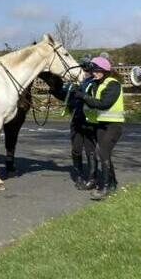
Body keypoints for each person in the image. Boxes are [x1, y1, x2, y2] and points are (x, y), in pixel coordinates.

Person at [76, 56, 125, 200]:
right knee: (105, 154)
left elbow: (104, 104)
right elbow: (92, 102)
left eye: (97, 71)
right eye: (93, 71)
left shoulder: (113, 84)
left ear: (105, 70)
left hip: (114, 125)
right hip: (101, 124)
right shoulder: (96, 83)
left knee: (102, 152)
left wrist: (84, 97)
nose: (94, 73)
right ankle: (112, 184)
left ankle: (105, 187)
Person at [48, 56, 98, 190]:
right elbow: (66, 97)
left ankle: (92, 178)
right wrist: (54, 91)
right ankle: (79, 176)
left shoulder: (94, 82)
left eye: (86, 67)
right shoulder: (76, 83)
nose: (84, 70)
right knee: (76, 150)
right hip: (76, 120)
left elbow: (93, 99)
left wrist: (80, 93)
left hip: (89, 121)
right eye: (83, 67)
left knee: (90, 150)